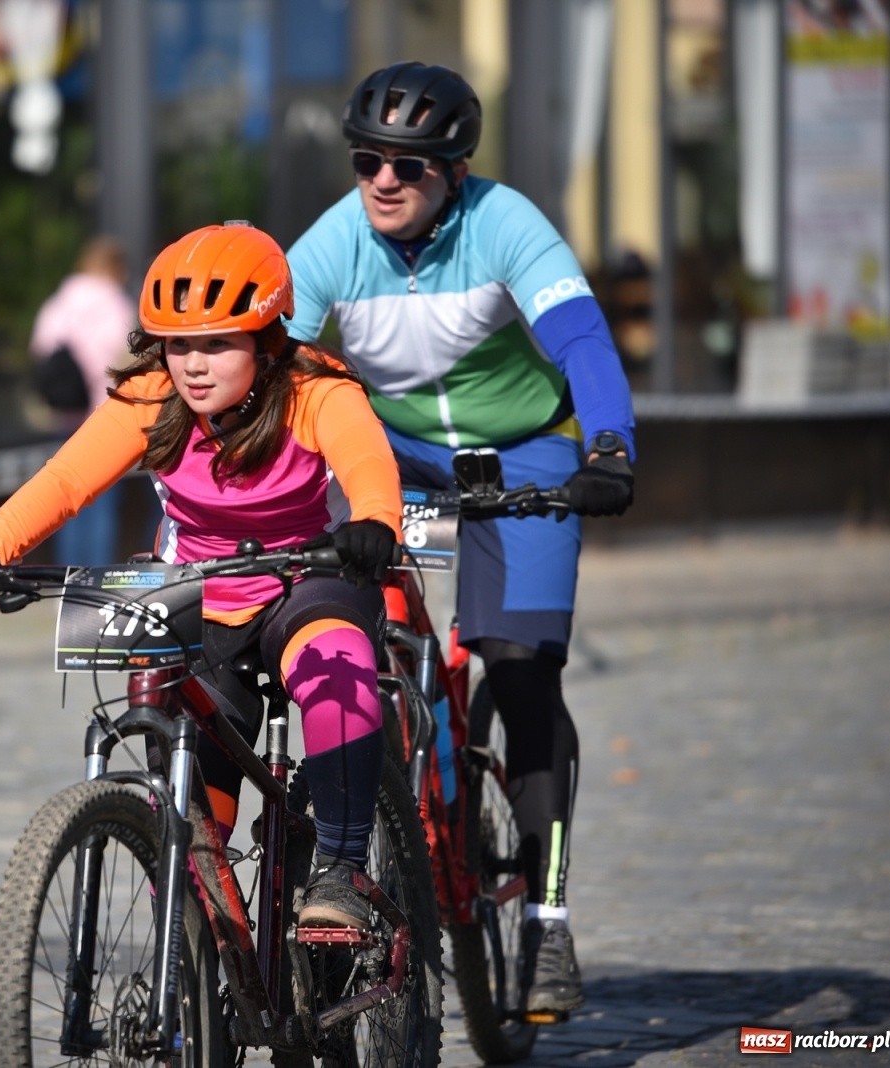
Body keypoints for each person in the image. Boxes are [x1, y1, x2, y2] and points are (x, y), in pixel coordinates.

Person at [284, 61, 637, 1018]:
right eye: (367, 162)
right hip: (392, 453)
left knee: (521, 669)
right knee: (328, 613)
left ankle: (548, 917)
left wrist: (605, 446)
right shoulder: (329, 247)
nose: (384, 182)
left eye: (411, 165)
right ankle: (376, 817)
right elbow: (269, 380)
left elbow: (583, 343)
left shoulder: (505, 224)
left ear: (457, 170)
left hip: (522, 452)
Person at [0, 223, 407, 927]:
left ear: (266, 341)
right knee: (182, 761)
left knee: (339, 665)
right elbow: (67, 480)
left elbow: (369, 464)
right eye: (178, 344)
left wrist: (374, 522)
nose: (194, 364)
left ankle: (341, 872)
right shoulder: (153, 397)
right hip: (200, 594)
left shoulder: (314, 387)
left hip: (309, 578)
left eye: (217, 343)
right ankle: (196, 945)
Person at [28, 237, 140, 566]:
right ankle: (95, 580)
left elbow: (41, 347)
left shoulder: (59, 302)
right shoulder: (115, 304)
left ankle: (69, 579)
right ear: (113, 268)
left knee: (65, 498)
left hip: (65, 416)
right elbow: (126, 358)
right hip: (104, 416)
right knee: (101, 502)